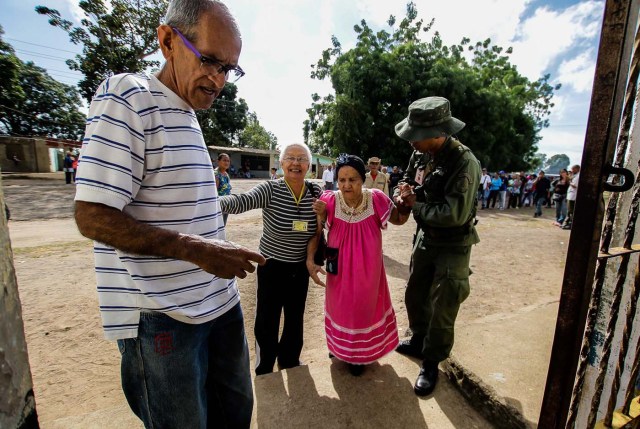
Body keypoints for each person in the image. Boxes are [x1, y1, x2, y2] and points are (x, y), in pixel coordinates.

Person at [73, 2, 266, 428]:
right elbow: (92, 215)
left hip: (220, 305)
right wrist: (196, 250)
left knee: (235, 416)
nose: (219, 80)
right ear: (167, 41)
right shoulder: (127, 96)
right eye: (211, 61)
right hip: (164, 319)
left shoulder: (189, 114)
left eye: (229, 69)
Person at [392, 96, 480, 397]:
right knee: (415, 293)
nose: (412, 142)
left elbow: (453, 214)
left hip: (453, 245)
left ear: (438, 133)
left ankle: (431, 361)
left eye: (417, 136)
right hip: (425, 238)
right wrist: (401, 192)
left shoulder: (464, 162)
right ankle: (418, 339)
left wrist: (415, 206)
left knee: (444, 306)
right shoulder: (420, 153)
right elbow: (405, 180)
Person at [220, 142, 323, 375]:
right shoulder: (270, 189)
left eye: (301, 159)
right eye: (290, 158)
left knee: (295, 317)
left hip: (299, 268)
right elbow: (241, 202)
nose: (295, 163)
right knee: (267, 318)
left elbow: (322, 227)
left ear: (309, 165)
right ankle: (264, 365)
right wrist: (212, 202)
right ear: (281, 163)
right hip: (272, 266)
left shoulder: (316, 193)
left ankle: (289, 361)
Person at [307, 154, 409, 376]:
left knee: (362, 308)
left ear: (362, 180)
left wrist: (407, 204)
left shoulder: (377, 199)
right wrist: (320, 219)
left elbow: (399, 219)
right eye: (342, 180)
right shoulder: (330, 200)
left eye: (352, 179)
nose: (346, 185)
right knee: (339, 306)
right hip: (339, 267)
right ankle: (340, 348)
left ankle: (359, 355)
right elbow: (317, 232)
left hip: (368, 269)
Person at [214, 153, 232, 224]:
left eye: (228, 161)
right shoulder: (216, 174)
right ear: (218, 161)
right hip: (219, 206)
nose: (227, 162)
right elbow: (214, 192)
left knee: (223, 225)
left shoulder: (226, 174)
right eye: (224, 160)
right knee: (218, 225)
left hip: (226, 205)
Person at [563, 165, 580, 230]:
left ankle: (571, 224)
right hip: (570, 195)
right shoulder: (574, 176)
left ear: (577, 169)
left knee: (571, 211)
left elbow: (575, 185)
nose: (572, 171)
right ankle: (568, 223)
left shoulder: (578, 176)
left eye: (573, 169)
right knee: (569, 211)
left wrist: (569, 182)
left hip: (573, 196)